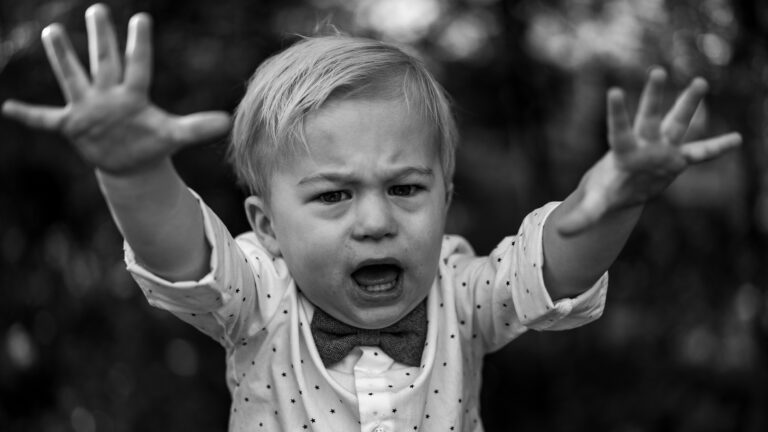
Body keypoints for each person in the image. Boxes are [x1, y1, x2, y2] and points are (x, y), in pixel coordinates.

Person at [2, 4, 742, 432]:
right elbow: (178, 254)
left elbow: (551, 269)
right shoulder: (258, 293)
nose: (376, 221)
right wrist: (133, 172)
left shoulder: (459, 287)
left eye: (406, 187)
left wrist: (614, 200)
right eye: (333, 195)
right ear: (266, 225)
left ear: (445, 197)